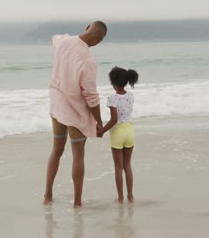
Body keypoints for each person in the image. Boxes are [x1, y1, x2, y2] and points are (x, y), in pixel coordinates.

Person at [43, 21, 107, 207]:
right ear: (99, 40)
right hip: (75, 114)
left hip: (57, 107)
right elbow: (91, 97)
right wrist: (99, 122)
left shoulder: (63, 41)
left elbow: (53, 38)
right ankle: (77, 202)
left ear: (88, 27)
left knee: (56, 150)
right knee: (78, 155)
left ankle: (47, 196)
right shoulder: (87, 61)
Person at [98, 66, 139, 203]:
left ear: (113, 83)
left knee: (118, 167)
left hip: (118, 133)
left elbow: (114, 119)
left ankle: (121, 197)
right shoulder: (131, 96)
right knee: (128, 165)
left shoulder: (112, 98)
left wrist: (102, 130)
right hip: (130, 132)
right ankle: (131, 196)